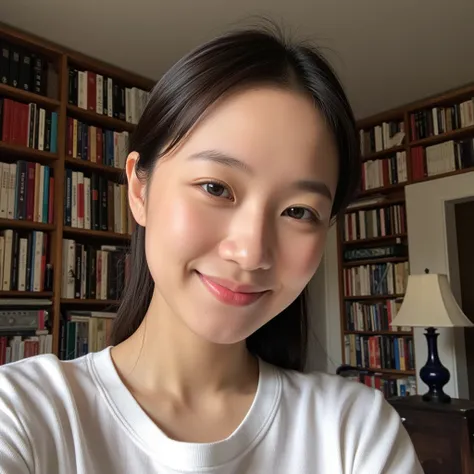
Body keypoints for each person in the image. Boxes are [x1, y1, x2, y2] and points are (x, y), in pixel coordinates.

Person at [0, 25, 423, 474]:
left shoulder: (354, 430)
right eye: (215, 187)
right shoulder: (26, 415)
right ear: (140, 190)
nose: (251, 252)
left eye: (299, 212)